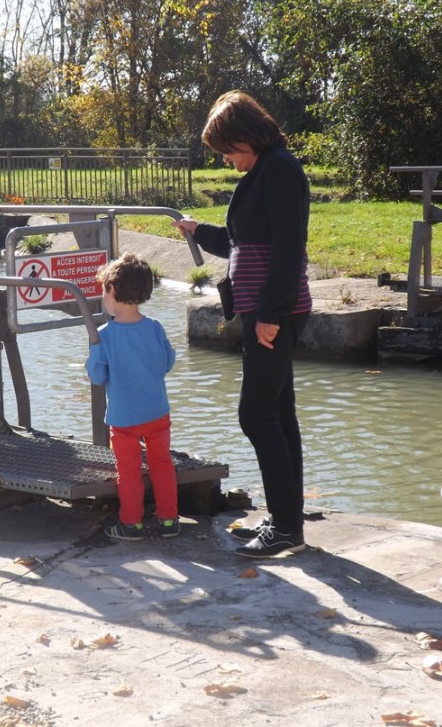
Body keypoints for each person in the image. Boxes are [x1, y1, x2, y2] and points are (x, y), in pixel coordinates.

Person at [175, 90, 312, 559]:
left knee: (256, 415)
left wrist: (271, 317)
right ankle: (286, 518)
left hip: (275, 312)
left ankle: (287, 527)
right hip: (267, 309)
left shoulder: (278, 169)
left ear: (245, 137)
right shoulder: (265, 170)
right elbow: (243, 241)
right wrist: (198, 231)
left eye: (228, 150)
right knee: (279, 413)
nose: (227, 159)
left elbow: (289, 247)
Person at [85, 252, 179, 541]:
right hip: (157, 413)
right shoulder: (154, 328)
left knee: (128, 471)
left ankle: (131, 523)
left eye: (103, 291)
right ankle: (169, 521)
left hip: (124, 418)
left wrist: (92, 354)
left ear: (111, 290)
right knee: (162, 465)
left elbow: (97, 377)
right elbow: (167, 363)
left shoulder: (104, 335)